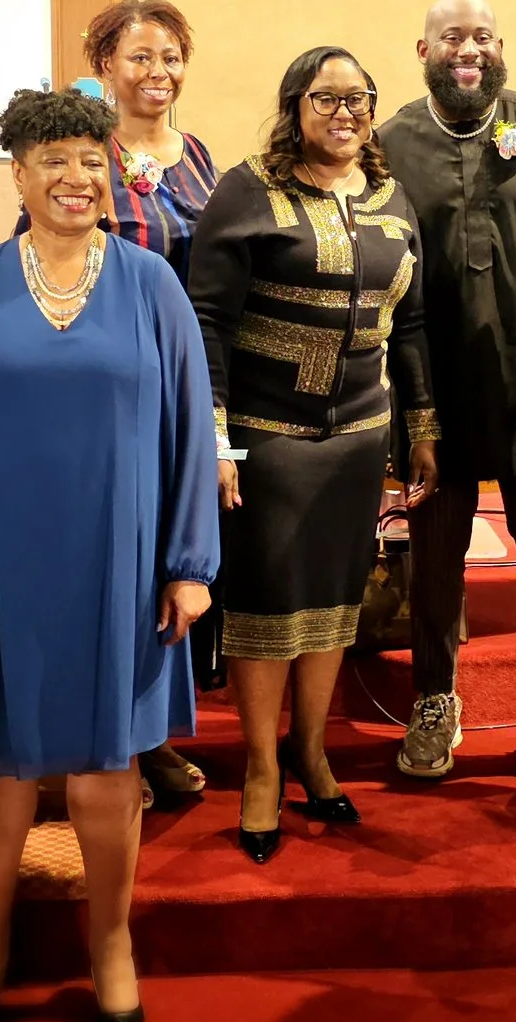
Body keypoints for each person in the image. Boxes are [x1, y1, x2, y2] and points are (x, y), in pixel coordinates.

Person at [0, 88, 218, 1022]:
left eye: (90, 160)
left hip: (121, 555)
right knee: (2, 768)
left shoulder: (151, 284)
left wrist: (187, 562)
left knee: (104, 765)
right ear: (17, 173)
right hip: (2, 557)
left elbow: (187, 428)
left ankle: (112, 941)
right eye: (51, 159)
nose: (74, 177)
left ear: (112, 170)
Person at [186, 46, 440, 863]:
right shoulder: (248, 190)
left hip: (359, 439)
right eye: (326, 98)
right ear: (295, 104)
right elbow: (206, 320)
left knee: (334, 600)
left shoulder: (393, 197)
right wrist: (215, 435)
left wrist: (422, 426)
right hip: (269, 438)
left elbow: (414, 323)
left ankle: (311, 749)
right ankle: (262, 766)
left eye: (358, 98)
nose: (345, 112)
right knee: (265, 605)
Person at [375, 0, 516, 791]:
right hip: (431, 391)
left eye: (482, 36)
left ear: (501, 46)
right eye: (451, 37)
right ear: (423, 47)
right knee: (435, 557)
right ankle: (434, 698)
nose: (468, 49)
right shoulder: (390, 141)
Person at [90, 0, 219, 800]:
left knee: (174, 558)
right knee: (120, 559)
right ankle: (112, 746)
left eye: (170, 56)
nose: (158, 73)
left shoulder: (199, 154)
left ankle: (154, 731)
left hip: (186, 375)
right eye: (140, 56)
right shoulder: (82, 154)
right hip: (111, 380)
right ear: (105, 64)